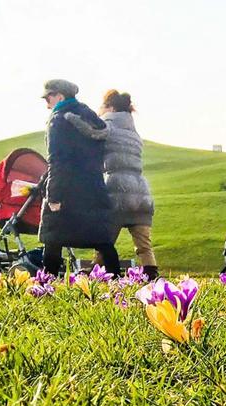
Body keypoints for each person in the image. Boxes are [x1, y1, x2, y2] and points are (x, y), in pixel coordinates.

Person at [66, 90, 159, 280]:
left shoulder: (108, 125)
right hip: (141, 193)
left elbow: (91, 132)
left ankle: (97, 274)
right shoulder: (134, 133)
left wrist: (71, 118)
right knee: (144, 245)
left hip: (117, 191)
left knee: (104, 240)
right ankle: (152, 277)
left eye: (102, 106)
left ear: (110, 107)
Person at [37, 79, 121, 276]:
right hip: (93, 187)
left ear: (60, 96)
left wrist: (54, 195)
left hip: (67, 188)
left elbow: (57, 160)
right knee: (102, 239)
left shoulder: (58, 120)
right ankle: (120, 282)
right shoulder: (93, 119)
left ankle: (46, 285)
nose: (46, 102)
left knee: (53, 237)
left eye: (48, 97)